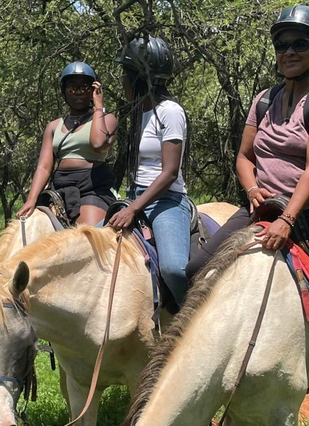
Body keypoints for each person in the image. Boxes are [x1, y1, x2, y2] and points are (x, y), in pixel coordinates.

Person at [186, 5, 309, 420]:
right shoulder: (263, 100)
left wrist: (289, 218)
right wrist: (252, 189)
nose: (288, 51)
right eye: (282, 44)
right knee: (194, 269)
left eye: (299, 44)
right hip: (265, 203)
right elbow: (243, 156)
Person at [107, 36, 191, 312]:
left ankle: (192, 319)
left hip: (166, 199)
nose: (122, 81)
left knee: (174, 268)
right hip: (135, 195)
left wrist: (133, 209)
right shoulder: (136, 112)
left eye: (126, 75)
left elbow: (169, 173)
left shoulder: (170, 112)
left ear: (140, 78)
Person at [17, 62, 118, 225]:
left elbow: (99, 144)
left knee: (89, 237)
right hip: (60, 188)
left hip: (92, 187)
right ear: (64, 91)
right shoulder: (53, 126)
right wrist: (31, 199)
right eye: (72, 87)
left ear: (94, 90)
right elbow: (44, 167)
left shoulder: (107, 119)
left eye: (84, 87)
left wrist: (99, 106)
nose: (78, 92)